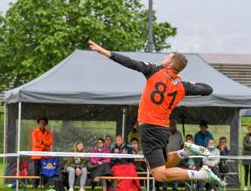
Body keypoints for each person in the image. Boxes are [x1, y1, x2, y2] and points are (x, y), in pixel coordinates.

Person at [89, 41, 222, 186]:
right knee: (165, 164)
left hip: (150, 129)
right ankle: (185, 152)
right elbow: (208, 89)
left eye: (167, 57)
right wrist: (190, 83)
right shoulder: (182, 85)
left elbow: (130, 63)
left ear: (170, 65)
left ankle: (202, 174)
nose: (164, 58)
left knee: (159, 174)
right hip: (163, 130)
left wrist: (105, 52)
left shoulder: (155, 71)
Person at [157, 119, 184, 191]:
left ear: (175, 126)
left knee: (175, 171)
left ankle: (174, 187)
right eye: (171, 125)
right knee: (165, 171)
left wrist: (180, 155)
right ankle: (164, 186)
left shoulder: (179, 134)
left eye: (173, 125)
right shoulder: (165, 133)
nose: (172, 126)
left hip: (176, 156)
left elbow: (181, 145)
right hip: (166, 156)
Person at [31, 117, 53, 188]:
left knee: (46, 171)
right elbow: (35, 143)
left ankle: (45, 185)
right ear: (39, 123)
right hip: (36, 155)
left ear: (46, 124)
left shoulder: (49, 133)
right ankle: (35, 186)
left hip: (46, 155)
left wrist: (41, 142)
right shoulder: (35, 132)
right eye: (41, 123)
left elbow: (50, 142)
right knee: (36, 171)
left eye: (44, 123)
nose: (42, 124)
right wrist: (44, 146)